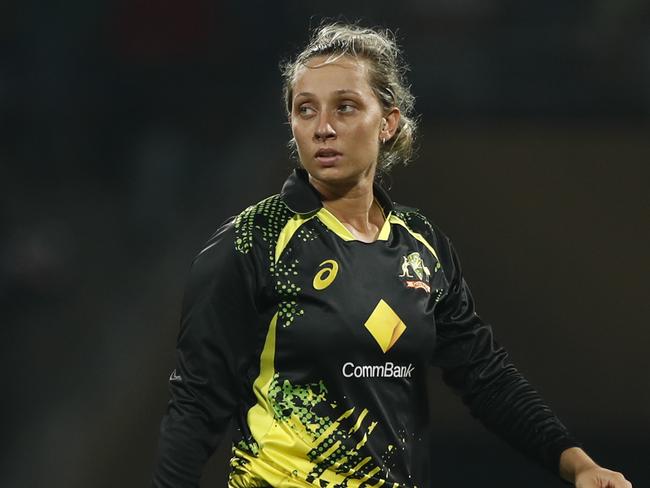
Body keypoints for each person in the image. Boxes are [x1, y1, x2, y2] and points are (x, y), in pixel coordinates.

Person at [152, 23, 632, 488]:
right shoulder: (253, 240)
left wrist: (578, 464)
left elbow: (485, 376)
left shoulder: (421, 243)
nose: (322, 128)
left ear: (387, 122)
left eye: (344, 108)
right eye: (305, 109)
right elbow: (196, 403)